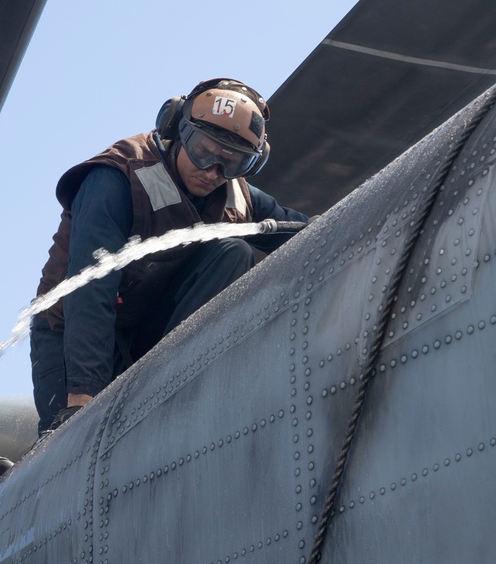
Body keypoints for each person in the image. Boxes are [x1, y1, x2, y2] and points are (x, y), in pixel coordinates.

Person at [30, 78, 308, 434]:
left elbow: (306, 232)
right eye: (203, 151)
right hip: (71, 331)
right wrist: (83, 403)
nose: (212, 172)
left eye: (231, 164)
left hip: (148, 326)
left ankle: (175, 385)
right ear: (176, 128)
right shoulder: (116, 178)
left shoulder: (236, 195)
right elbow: (90, 291)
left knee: (233, 252)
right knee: (67, 448)